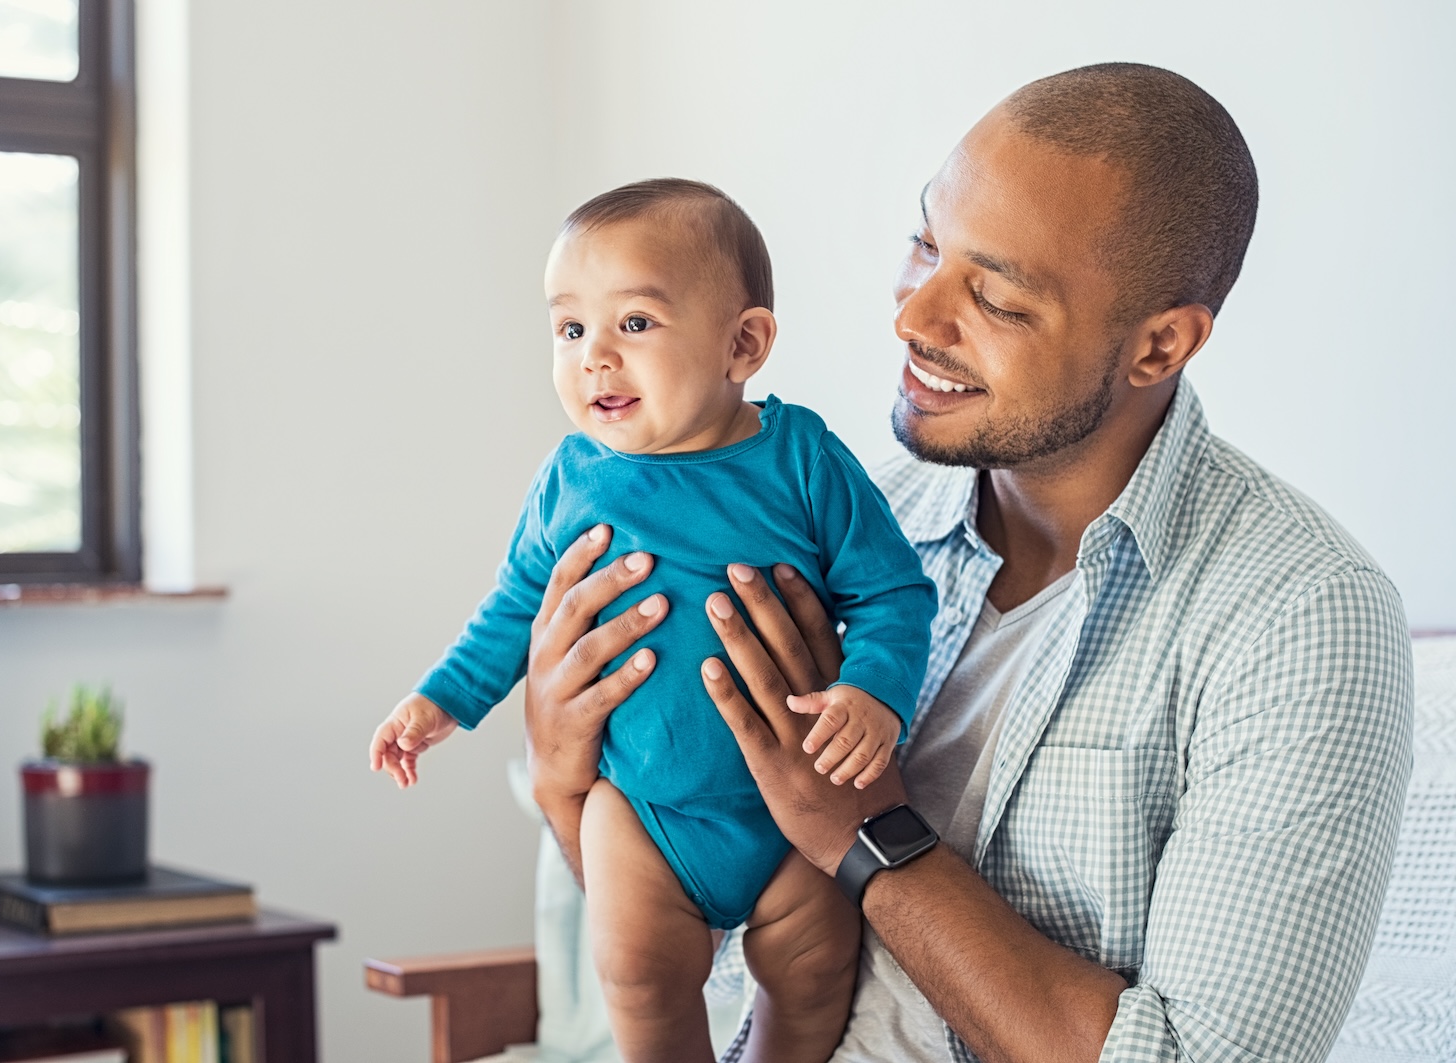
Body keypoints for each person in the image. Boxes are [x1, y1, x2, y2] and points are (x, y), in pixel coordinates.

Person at [523, 63, 1415, 1063]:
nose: (913, 317)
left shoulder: (1300, 617)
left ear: (1158, 345)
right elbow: (708, 922)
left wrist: (870, 834)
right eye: (924, 244)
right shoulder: (855, 523)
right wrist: (568, 782)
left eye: (991, 295)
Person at [368, 179, 939, 1063]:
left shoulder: (801, 457)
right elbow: (516, 606)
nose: (595, 356)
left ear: (742, 344)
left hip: (798, 815)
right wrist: (439, 700)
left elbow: (893, 593)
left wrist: (873, 691)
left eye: (633, 323)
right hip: (642, 816)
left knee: (815, 969)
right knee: (636, 974)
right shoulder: (570, 477)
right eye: (570, 329)